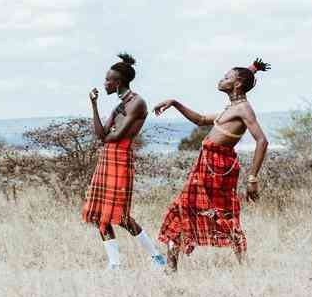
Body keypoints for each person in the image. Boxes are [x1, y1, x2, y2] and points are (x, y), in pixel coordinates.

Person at [153, 58, 270, 272]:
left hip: (219, 167)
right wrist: (175, 102)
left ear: (237, 84)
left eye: (226, 77)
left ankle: (243, 267)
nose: (221, 79)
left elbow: (262, 140)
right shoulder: (232, 108)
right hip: (206, 164)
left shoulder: (244, 109)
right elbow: (200, 119)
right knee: (186, 210)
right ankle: (171, 268)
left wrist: (253, 178)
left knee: (222, 215)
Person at [82, 53, 167, 270]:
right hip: (107, 157)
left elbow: (115, 136)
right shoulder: (119, 106)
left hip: (120, 158)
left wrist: (109, 133)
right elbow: (102, 135)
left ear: (117, 82)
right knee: (100, 215)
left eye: (108, 80)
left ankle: (156, 257)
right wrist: (94, 105)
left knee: (120, 216)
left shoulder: (137, 103)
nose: (105, 83)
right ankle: (115, 265)